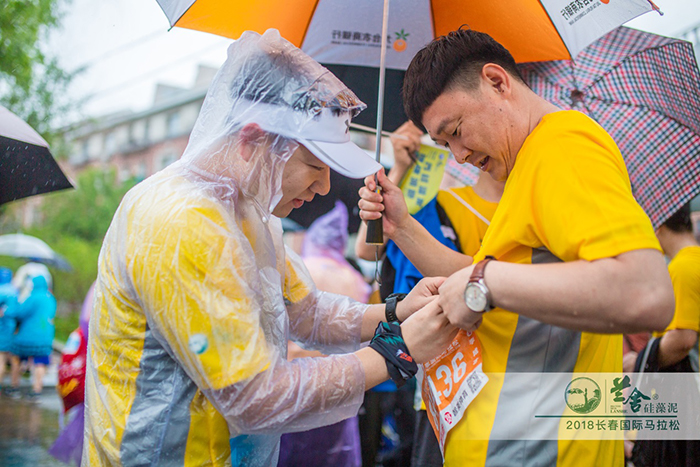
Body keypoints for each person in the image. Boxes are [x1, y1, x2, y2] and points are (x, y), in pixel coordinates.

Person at [83, 29, 457, 467]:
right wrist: (395, 352)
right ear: (252, 140)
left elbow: (307, 312)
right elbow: (254, 395)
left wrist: (396, 313)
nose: (323, 187)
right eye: (314, 166)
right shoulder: (183, 221)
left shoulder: (250, 214)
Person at [359, 27, 674, 466]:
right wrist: (402, 227)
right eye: (443, 143)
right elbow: (483, 272)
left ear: (497, 81)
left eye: (456, 131)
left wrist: (485, 282)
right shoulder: (526, 163)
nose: (458, 156)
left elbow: (647, 293)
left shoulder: (561, 147)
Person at [356, 121, 504, 467]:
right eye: (445, 137)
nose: (460, 150)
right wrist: (401, 166)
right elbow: (369, 246)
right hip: (445, 375)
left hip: (510, 380)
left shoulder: (534, 207)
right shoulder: (443, 204)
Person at [2, 275, 56, 401]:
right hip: (46, 336)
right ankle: (37, 390)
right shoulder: (51, 298)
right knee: (40, 362)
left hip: (28, 336)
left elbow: (20, 312)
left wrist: (6, 312)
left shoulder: (33, 297)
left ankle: (14, 387)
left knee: (16, 358)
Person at [0, 267, 18, 392]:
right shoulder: (15, 291)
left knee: (1, 358)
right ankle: (14, 385)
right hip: (12, 329)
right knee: (13, 359)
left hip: (2, 328)